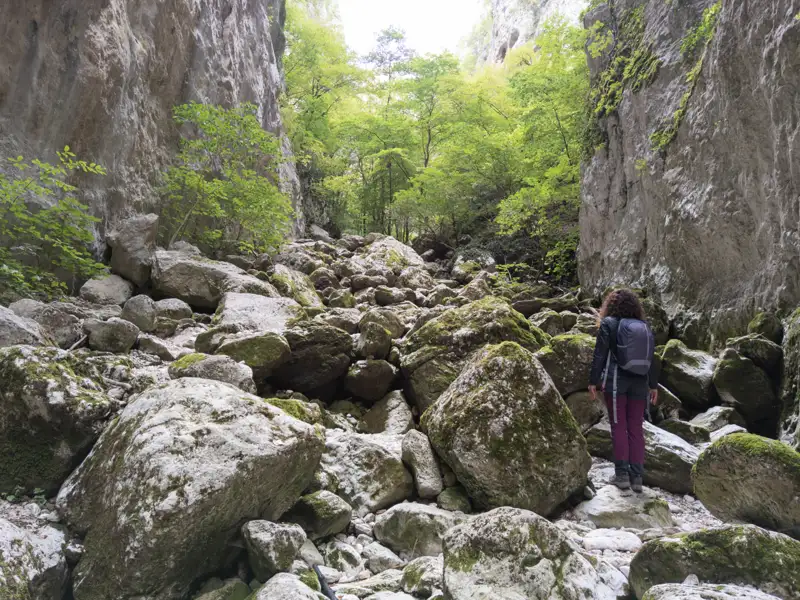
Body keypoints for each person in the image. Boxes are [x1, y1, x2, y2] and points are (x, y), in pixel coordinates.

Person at [588, 288, 658, 493]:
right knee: (636, 428)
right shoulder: (643, 326)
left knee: (619, 426)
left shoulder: (609, 324)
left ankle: (621, 476)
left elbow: (599, 355)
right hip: (640, 383)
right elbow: (652, 357)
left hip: (617, 382)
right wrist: (653, 385)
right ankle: (637, 478)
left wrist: (593, 381)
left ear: (610, 305)